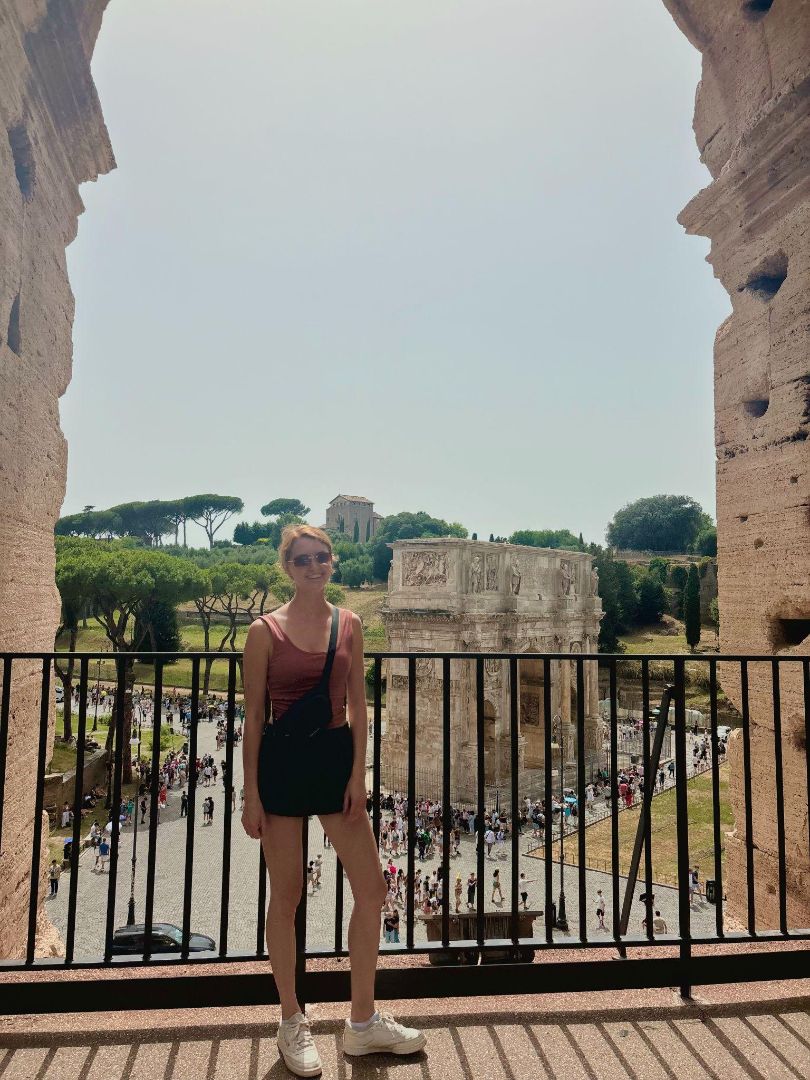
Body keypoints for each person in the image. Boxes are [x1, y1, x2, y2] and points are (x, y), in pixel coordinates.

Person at [241, 525, 425, 1076]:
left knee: (373, 888)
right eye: (302, 559)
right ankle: (292, 1020)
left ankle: (362, 1024)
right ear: (287, 566)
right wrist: (250, 792)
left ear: (333, 560)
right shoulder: (262, 630)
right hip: (282, 767)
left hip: (334, 763)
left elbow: (358, 705)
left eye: (322, 557)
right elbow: (253, 718)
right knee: (288, 896)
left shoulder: (351, 622)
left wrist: (357, 775)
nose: (314, 566)